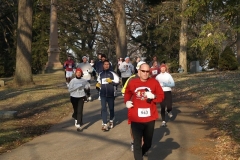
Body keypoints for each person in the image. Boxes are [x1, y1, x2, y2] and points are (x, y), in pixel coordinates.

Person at [124, 63, 164, 159]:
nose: (146, 73)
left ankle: (140, 154)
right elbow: (127, 93)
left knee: (148, 143)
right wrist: (126, 101)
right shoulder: (132, 82)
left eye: (147, 71)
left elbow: (161, 97)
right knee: (137, 143)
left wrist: (154, 96)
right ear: (139, 72)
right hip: (136, 118)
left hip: (149, 118)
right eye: (143, 71)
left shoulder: (154, 82)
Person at [121, 61, 146, 152]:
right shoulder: (131, 79)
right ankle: (134, 141)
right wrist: (127, 101)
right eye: (141, 70)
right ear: (138, 70)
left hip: (146, 107)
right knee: (134, 125)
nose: (144, 72)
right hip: (134, 106)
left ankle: (143, 144)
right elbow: (124, 91)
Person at [96, 60, 120, 131]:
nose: (106, 65)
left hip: (111, 94)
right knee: (103, 108)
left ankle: (111, 120)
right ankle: (104, 123)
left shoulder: (112, 73)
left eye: (108, 64)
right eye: (105, 64)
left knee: (111, 108)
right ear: (103, 65)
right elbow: (98, 82)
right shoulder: (100, 74)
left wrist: (112, 82)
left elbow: (118, 82)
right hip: (103, 94)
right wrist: (97, 86)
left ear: (109, 65)